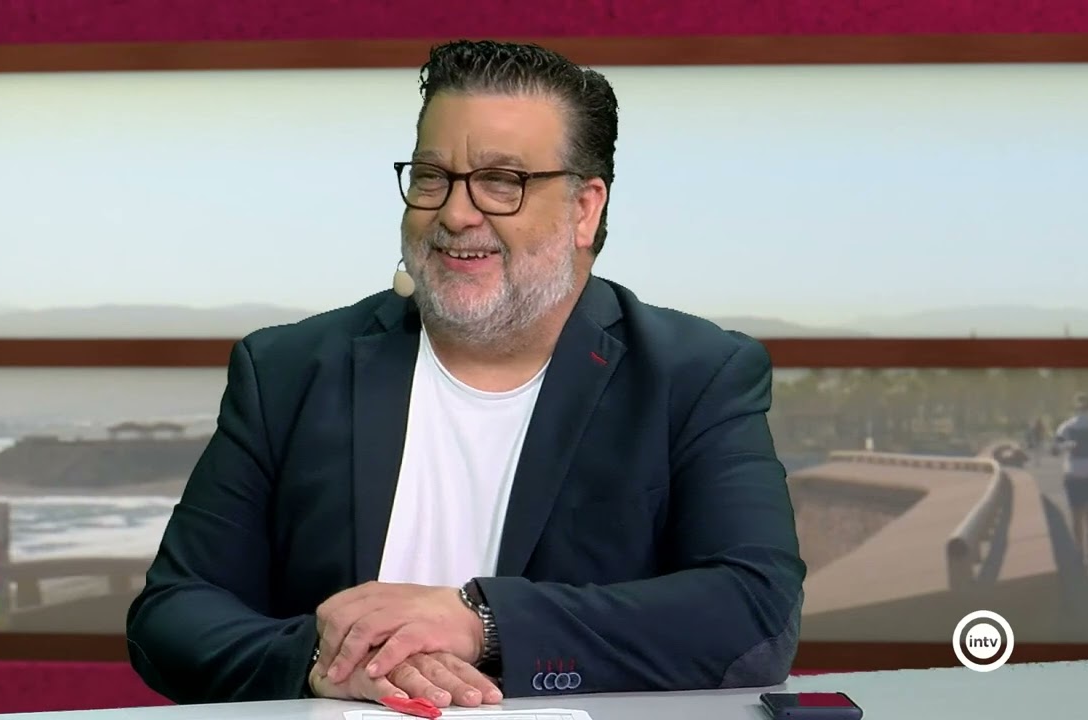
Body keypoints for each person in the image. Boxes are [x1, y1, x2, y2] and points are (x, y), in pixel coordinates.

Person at [125, 39, 806, 707]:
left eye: (501, 182)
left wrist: (483, 622)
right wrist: (325, 659)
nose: (453, 213)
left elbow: (754, 611)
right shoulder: (288, 369)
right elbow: (174, 613)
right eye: (432, 176)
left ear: (584, 208)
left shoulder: (694, 374)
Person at [1053, 392, 1088, 567]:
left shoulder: (1066, 426)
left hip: (1074, 473)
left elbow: (1055, 450)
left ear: (1074, 407)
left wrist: (1067, 446)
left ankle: (1079, 552)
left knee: (1077, 516)